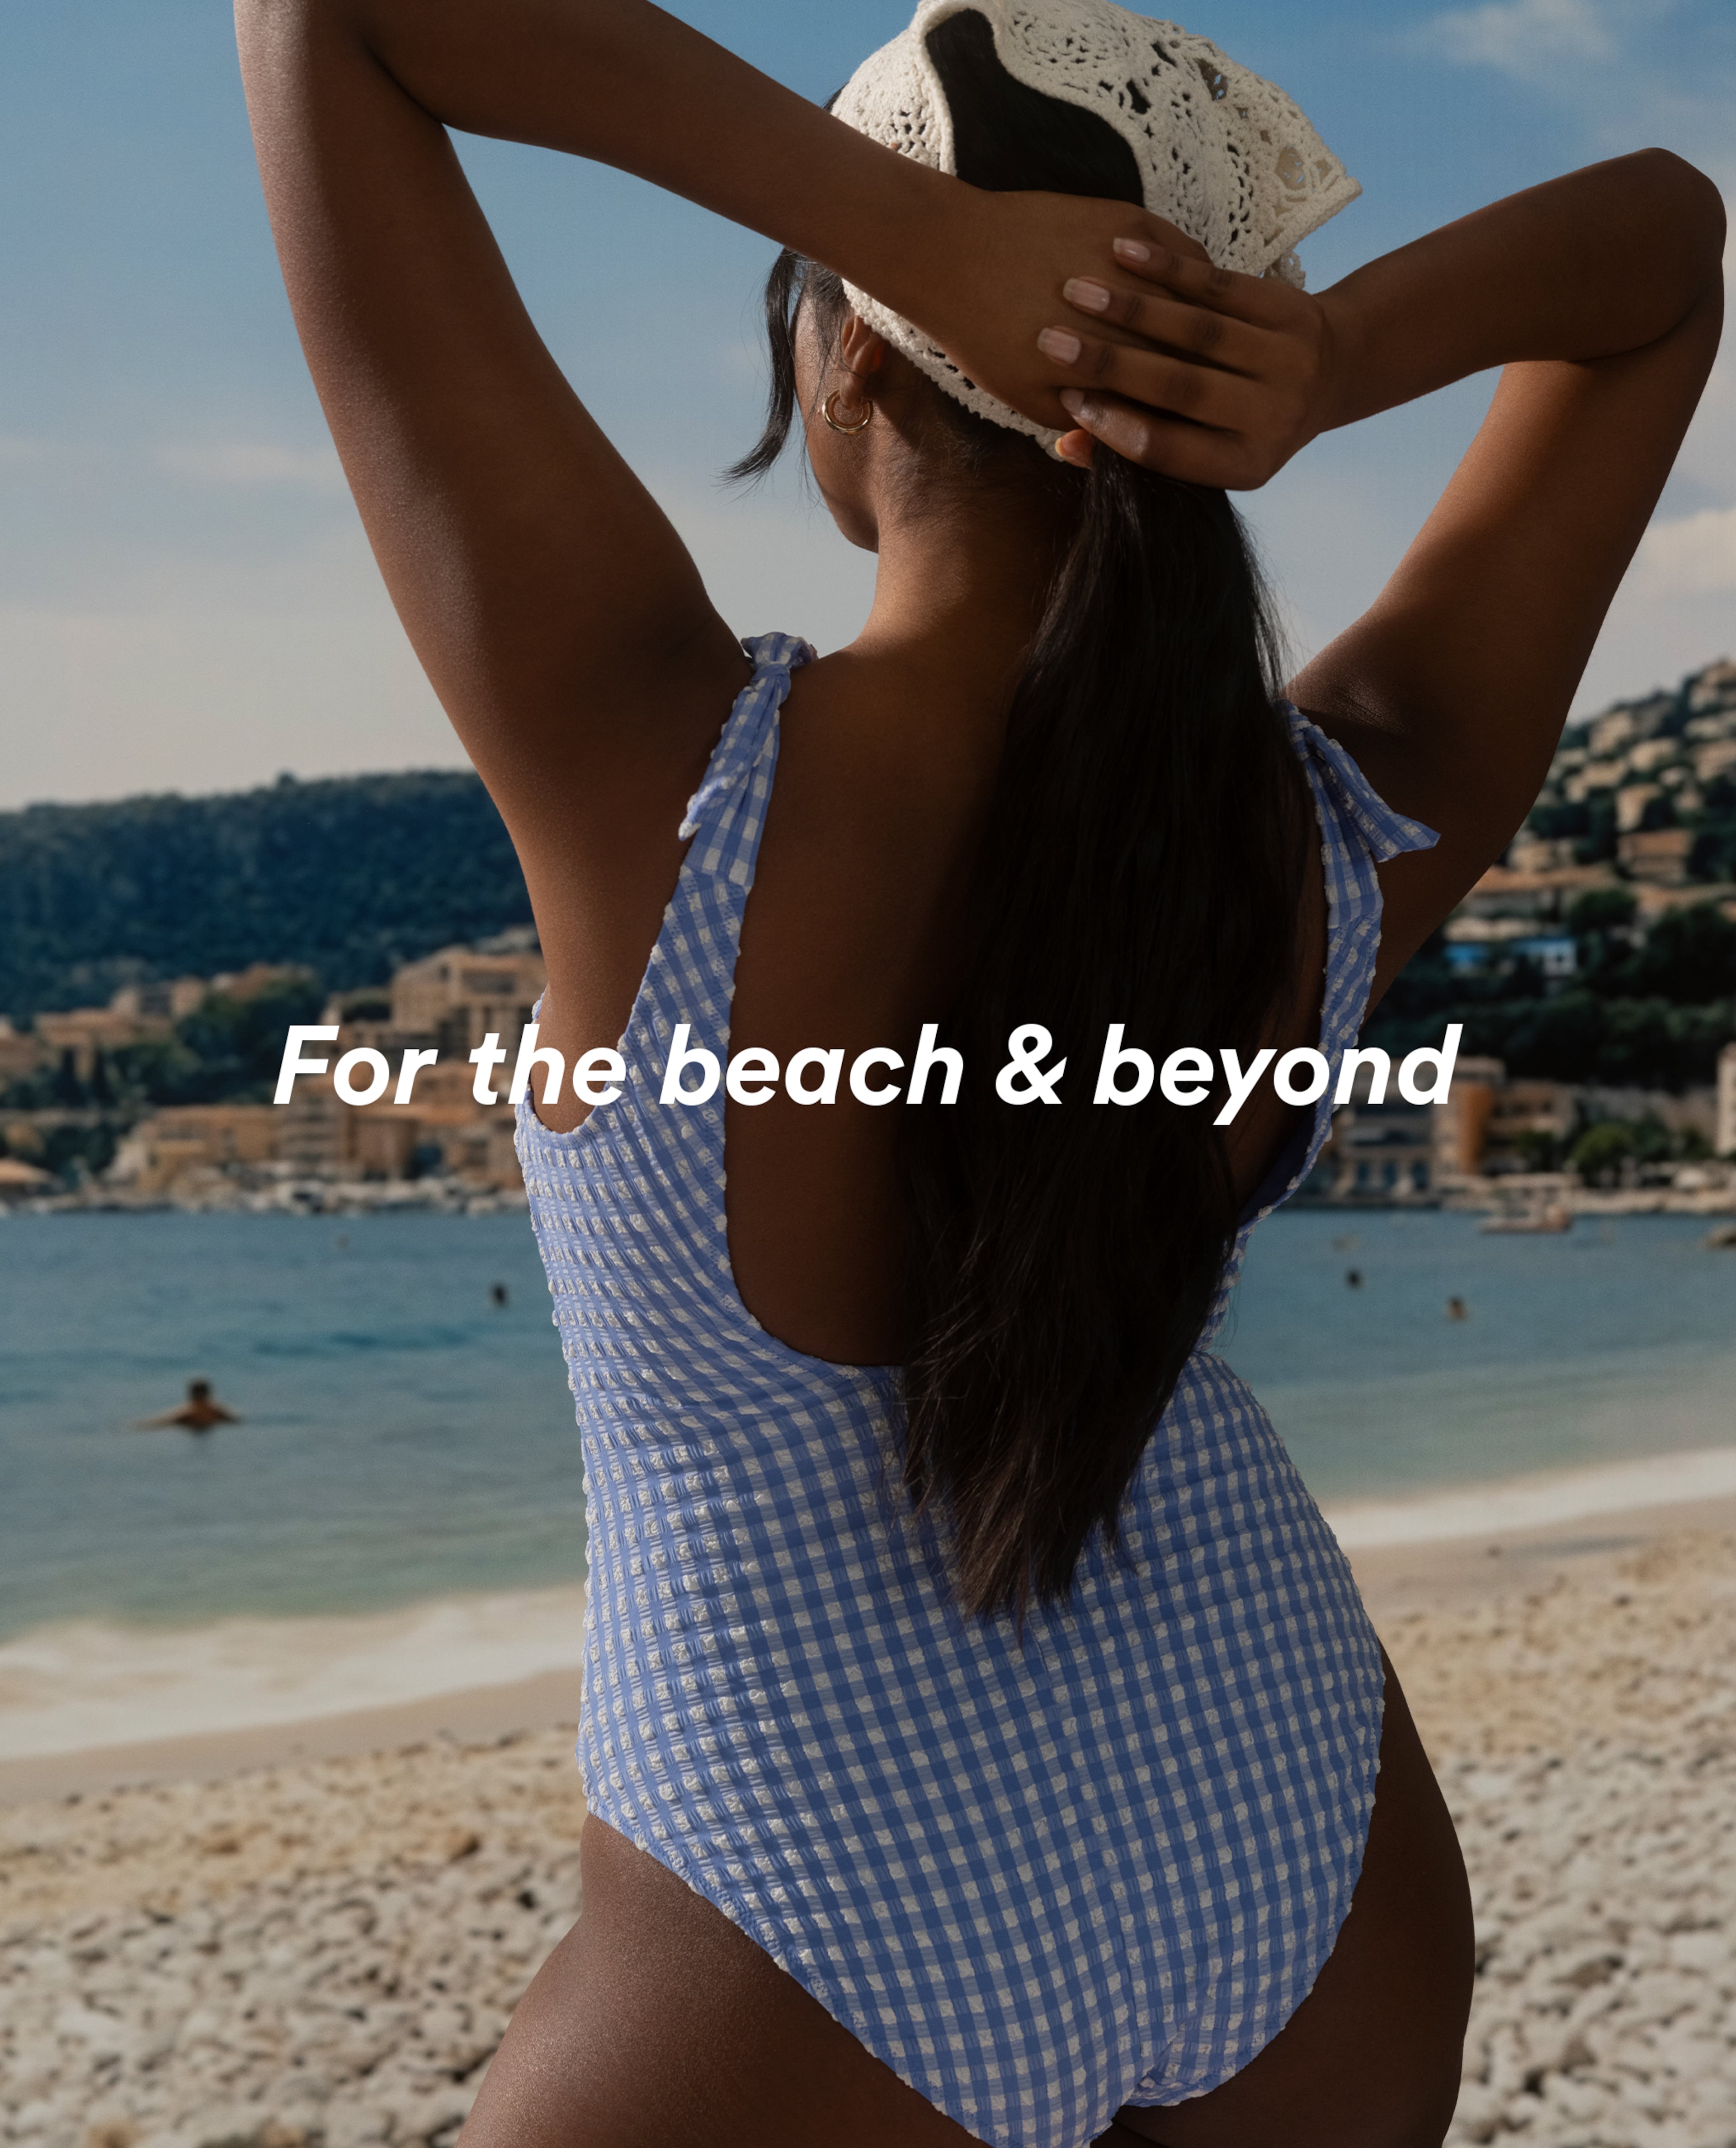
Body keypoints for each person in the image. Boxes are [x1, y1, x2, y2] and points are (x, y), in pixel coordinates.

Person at [236, 3, 1722, 2143]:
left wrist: (884, 227)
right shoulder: (1329, 832)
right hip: (1284, 1813)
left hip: (799, 1889)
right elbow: (1666, 246)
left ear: (850, 360)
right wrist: (1307, 368)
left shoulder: (661, 776)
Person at [132, 1379, 241, 1435]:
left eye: (200, 1397)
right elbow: (162, 1422)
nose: (200, 1401)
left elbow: (235, 1421)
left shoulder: (215, 1411)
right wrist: (139, 1426)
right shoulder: (190, 1414)